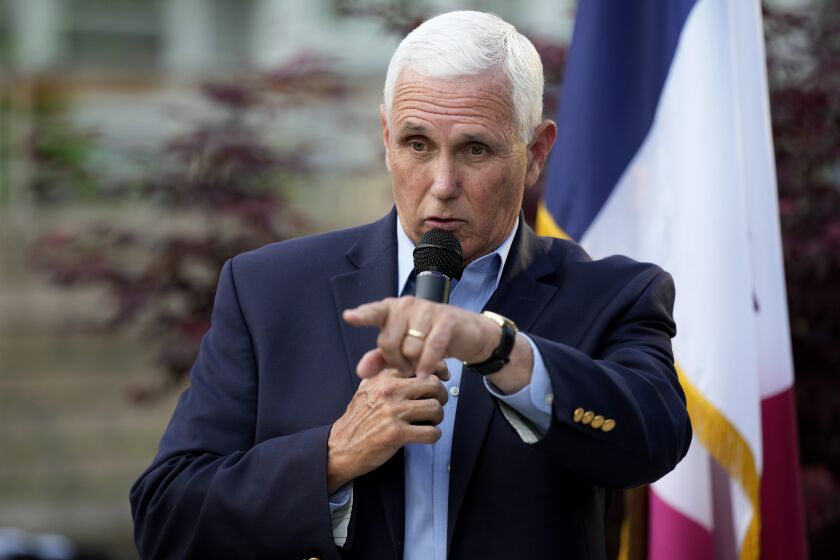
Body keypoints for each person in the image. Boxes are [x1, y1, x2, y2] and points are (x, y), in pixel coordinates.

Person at [130, 11, 691, 560]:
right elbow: (166, 519)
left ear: (536, 152)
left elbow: (656, 441)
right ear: (386, 136)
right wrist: (331, 457)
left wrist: (500, 352)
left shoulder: (617, 294)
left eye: (475, 149)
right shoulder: (267, 290)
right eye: (418, 144)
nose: (442, 185)